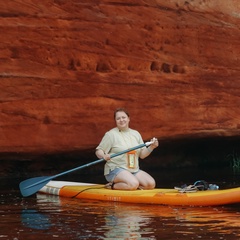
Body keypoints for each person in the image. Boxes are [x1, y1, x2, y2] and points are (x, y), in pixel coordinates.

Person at [95, 108, 159, 190]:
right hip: (115, 169)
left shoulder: (136, 134)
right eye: (118, 118)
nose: (121, 120)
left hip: (133, 170)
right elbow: (98, 150)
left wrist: (152, 147)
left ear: (128, 119)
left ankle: (130, 185)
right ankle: (112, 185)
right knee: (133, 184)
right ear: (115, 121)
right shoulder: (110, 134)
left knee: (150, 184)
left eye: (123, 117)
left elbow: (142, 155)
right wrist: (103, 155)